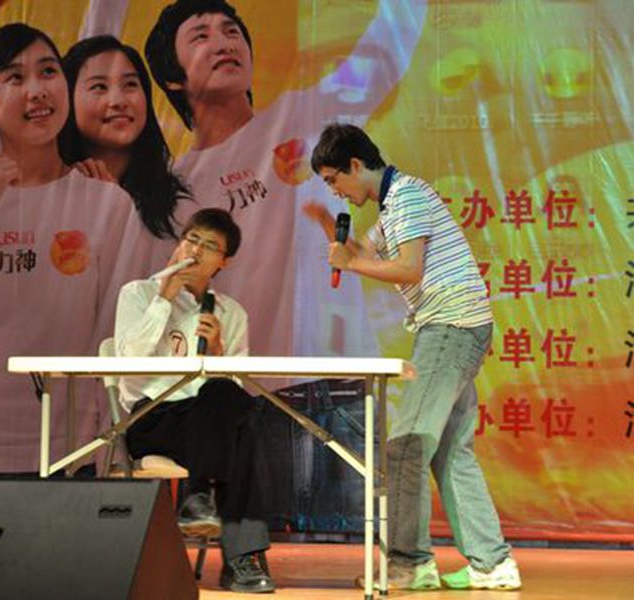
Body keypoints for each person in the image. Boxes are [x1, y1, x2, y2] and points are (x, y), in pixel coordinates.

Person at [144, 0, 426, 360]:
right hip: (242, 375)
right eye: (201, 37)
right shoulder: (178, 186)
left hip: (336, 369)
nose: (224, 44)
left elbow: (388, 44)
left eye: (231, 32)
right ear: (172, 77)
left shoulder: (309, 114)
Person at [306, 123, 521, 591]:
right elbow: (363, 251)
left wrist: (350, 263)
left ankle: (409, 562)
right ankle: (492, 563)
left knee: (406, 445)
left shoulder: (406, 196)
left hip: (450, 326)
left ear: (356, 165)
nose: (335, 190)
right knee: (449, 451)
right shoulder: (394, 203)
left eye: (334, 179)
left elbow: (408, 268)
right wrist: (330, 229)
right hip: (458, 326)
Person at [0, 23, 131, 474]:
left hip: (64, 457)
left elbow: (114, 343)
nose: (37, 91)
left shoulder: (107, 203)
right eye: (15, 77)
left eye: (48, 71)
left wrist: (104, 453)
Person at [114, 208, 274, 594]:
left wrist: (217, 352)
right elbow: (127, 362)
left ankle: (198, 497)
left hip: (209, 421)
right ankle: (242, 559)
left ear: (224, 262)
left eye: (210, 246)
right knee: (244, 434)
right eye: (192, 239)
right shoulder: (138, 294)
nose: (196, 250)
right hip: (154, 417)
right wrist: (163, 301)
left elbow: (237, 390)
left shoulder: (231, 313)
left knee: (236, 408)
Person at [62, 35, 191, 241]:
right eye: (99, 87)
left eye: (130, 84)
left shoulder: (179, 207)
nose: (118, 101)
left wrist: (117, 207)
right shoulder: (45, 193)